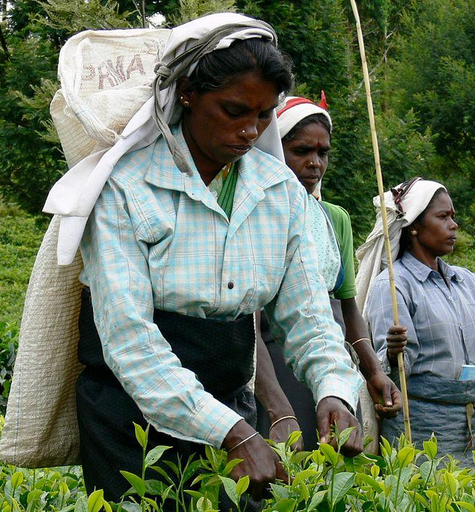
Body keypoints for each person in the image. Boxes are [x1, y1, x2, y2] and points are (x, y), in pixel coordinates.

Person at [42, 13, 364, 506]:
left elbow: (310, 316)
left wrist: (334, 390)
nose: (248, 132)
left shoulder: (278, 192)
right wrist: (233, 434)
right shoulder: (126, 186)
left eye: (262, 116)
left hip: (232, 399)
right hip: (130, 420)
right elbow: (129, 339)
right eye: (234, 110)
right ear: (188, 93)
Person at [254, 95, 402, 451]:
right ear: (275, 148)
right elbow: (251, 322)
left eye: (322, 154)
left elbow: (347, 310)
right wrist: (276, 407)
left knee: (335, 470)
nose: (314, 163)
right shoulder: (257, 214)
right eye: (301, 151)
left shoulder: (334, 219)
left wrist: (373, 372)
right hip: (273, 365)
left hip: (330, 362)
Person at [363, 178, 475, 466]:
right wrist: (392, 352)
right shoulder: (393, 285)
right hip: (423, 425)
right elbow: (389, 373)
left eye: (452, 216)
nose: (454, 225)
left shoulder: (466, 282)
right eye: (442, 217)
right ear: (414, 226)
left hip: (470, 421)